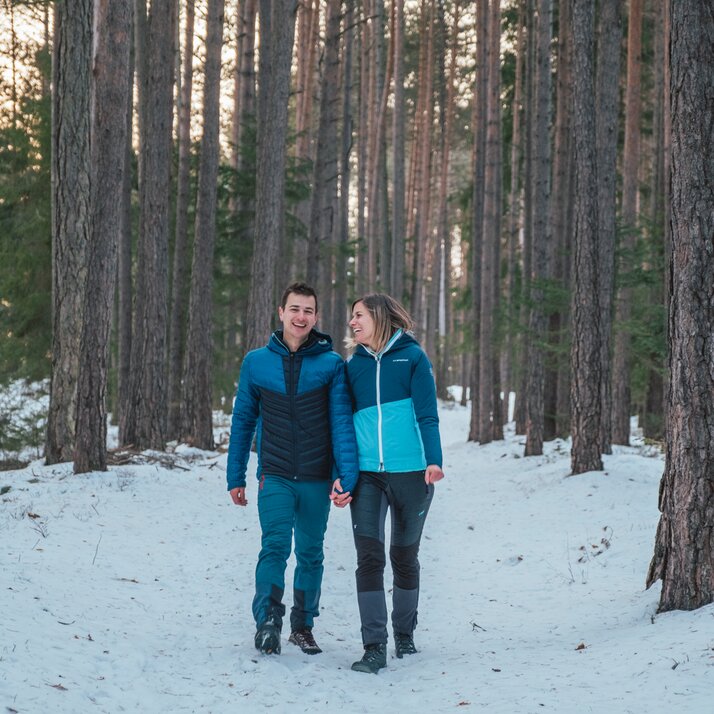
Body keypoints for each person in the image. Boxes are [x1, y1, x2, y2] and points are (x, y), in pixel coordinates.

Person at [226, 282, 358, 656]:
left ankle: (303, 625)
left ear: (317, 317)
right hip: (276, 474)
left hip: (317, 478)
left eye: (308, 311)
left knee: (312, 552)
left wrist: (345, 476)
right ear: (281, 312)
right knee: (275, 546)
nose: (301, 317)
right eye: (295, 309)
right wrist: (235, 475)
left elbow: (341, 424)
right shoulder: (256, 362)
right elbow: (243, 421)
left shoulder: (331, 364)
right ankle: (268, 618)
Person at [343, 293, 445, 674]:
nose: (352, 323)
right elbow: (343, 423)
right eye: (351, 317)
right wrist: (343, 471)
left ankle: (404, 634)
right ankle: (374, 645)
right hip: (368, 476)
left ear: (379, 317)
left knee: (404, 557)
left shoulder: (413, 358)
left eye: (359, 316)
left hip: (412, 475)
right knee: (368, 558)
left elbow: (427, 415)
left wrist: (434, 460)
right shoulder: (354, 367)